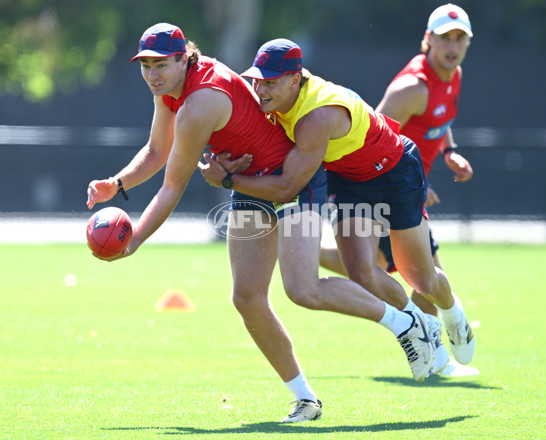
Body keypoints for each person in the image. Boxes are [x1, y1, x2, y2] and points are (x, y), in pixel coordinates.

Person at [86, 23, 438, 423]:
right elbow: (155, 150)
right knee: (247, 298)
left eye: (161, 64)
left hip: (291, 182)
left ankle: (406, 322)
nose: (152, 74)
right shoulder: (171, 92)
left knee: (303, 290)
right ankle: (305, 400)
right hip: (252, 184)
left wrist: (134, 242)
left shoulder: (199, 103)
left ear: (184, 58)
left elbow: (171, 187)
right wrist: (117, 183)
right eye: (145, 65)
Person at [200, 37, 475, 371]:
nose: (260, 89)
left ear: (294, 80)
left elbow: (288, 185)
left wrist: (227, 180)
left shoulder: (317, 117)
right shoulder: (281, 95)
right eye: (257, 80)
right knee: (361, 272)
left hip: (395, 173)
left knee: (421, 279)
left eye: (269, 82)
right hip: (351, 184)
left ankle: (452, 313)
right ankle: (421, 326)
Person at [319, 4, 477, 374]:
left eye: (460, 38)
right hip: (386, 184)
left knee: (400, 270)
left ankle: (445, 333)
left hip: (406, 185)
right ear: (428, 40)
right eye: (444, 38)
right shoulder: (412, 88)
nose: (452, 46)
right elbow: (374, 135)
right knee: (412, 274)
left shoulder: (452, 74)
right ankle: (442, 353)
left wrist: (449, 151)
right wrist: (419, 183)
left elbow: (441, 118)